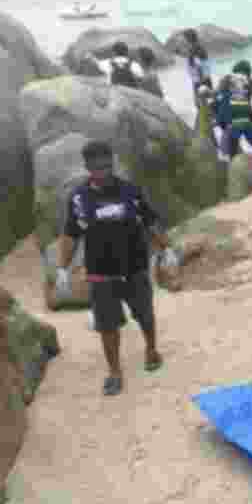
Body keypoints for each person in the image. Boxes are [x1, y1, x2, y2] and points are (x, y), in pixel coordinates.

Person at [55, 141, 177, 396]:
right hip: (100, 271)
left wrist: (167, 248)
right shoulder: (79, 198)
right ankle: (114, 371)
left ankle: (151, 350)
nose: (104, 170)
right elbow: (70, 234)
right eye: (98, 167)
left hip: (135, 266)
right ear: (87, 167)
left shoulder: (130, 191)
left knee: (145, 314)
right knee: (107, 325)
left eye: (108, 165)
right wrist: (62, 269)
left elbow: (150, 221)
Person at [216, 59, 252, 162]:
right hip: (248, 115)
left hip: (231, 117)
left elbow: (216, 95)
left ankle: (233, 166)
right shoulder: (249, 81)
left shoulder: (226, 79)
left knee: (231, 145)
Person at [184, 28, 213, 101]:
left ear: (188, 39)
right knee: (209, 102)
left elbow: (199, 66)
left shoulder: (194, 49)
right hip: (203, 79)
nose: (184, 41)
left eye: (185, 38)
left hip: (200, 81)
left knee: (203, 103)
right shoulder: (198, 47)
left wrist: (200, 83)